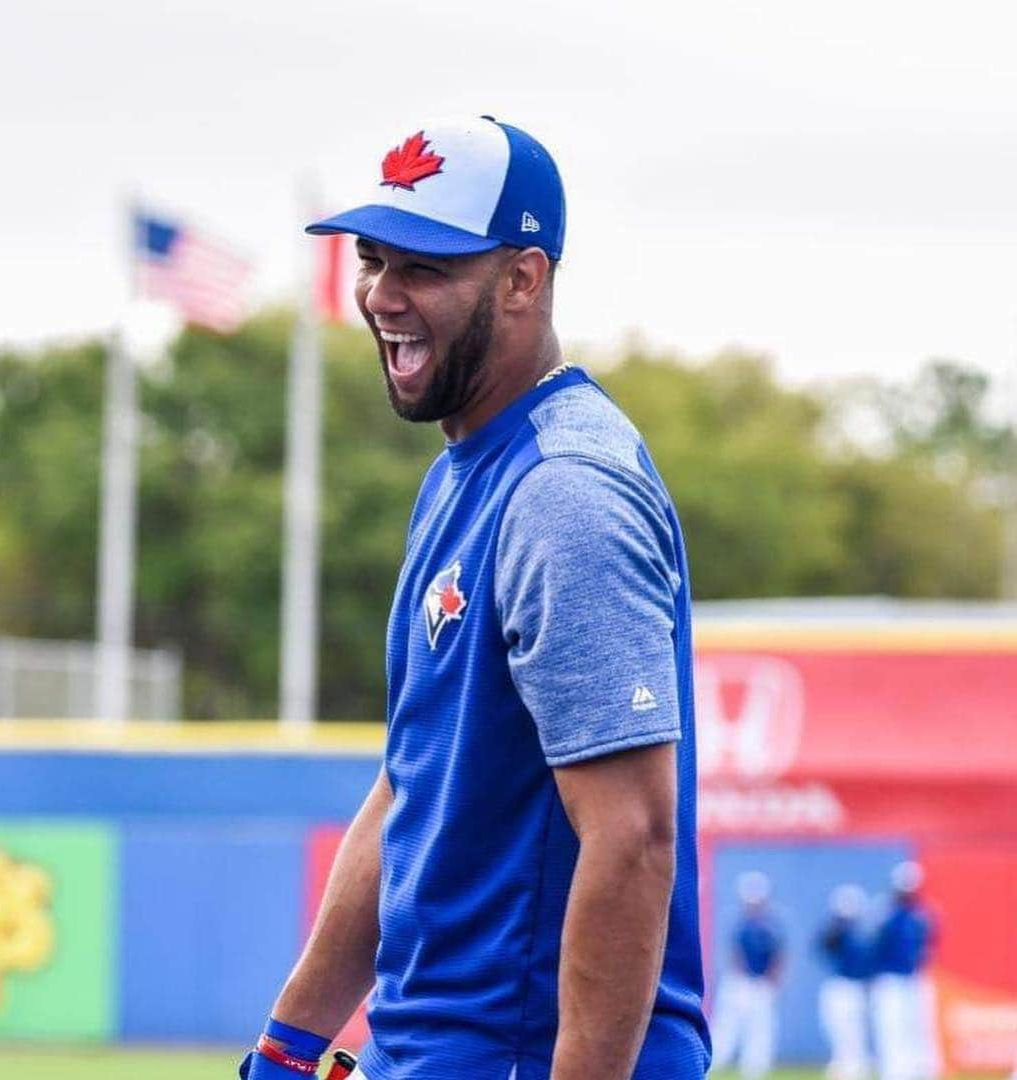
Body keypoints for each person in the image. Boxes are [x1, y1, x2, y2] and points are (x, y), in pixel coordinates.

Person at [238, 116, 710, 1079]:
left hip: (526, 1054)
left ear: (524, 279)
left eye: (425, 267)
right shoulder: (466, 469)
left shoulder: (564, 488)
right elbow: (414, 784)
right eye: (374, 261)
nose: (381, 295)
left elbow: (633, 836)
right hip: (438, 1049)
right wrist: (289, 1047)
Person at [709, 871, 784, 1080]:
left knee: (761, 1031)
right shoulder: (741, 925)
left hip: (761, 984)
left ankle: (755, 1070)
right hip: (740, 983)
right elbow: (735, 955)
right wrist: (742, 979)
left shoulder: (772, 927)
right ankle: (714, 1064)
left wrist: (772, 981)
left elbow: (779, 956)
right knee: (727, 1027)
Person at [870, 861, 941, 1080]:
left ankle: (921, 1071)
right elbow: (875, 946)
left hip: (915, 977)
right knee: (891, 1027)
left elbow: (931, 944)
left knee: (919, 1026)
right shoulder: (886, 913)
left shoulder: (923, 914)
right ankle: (895, 1072)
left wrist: (924, 958)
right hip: (891, 978)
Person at [817, 884, 873, 1080]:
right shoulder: (837, 931)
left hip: (857, 987)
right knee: (837, 1030)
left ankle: (855, 1068)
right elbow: (824, 944)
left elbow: (869, 963)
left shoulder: (864, 934)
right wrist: (837, 921)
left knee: (856, 1032)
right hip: (839, 985)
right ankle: (842, 1066)